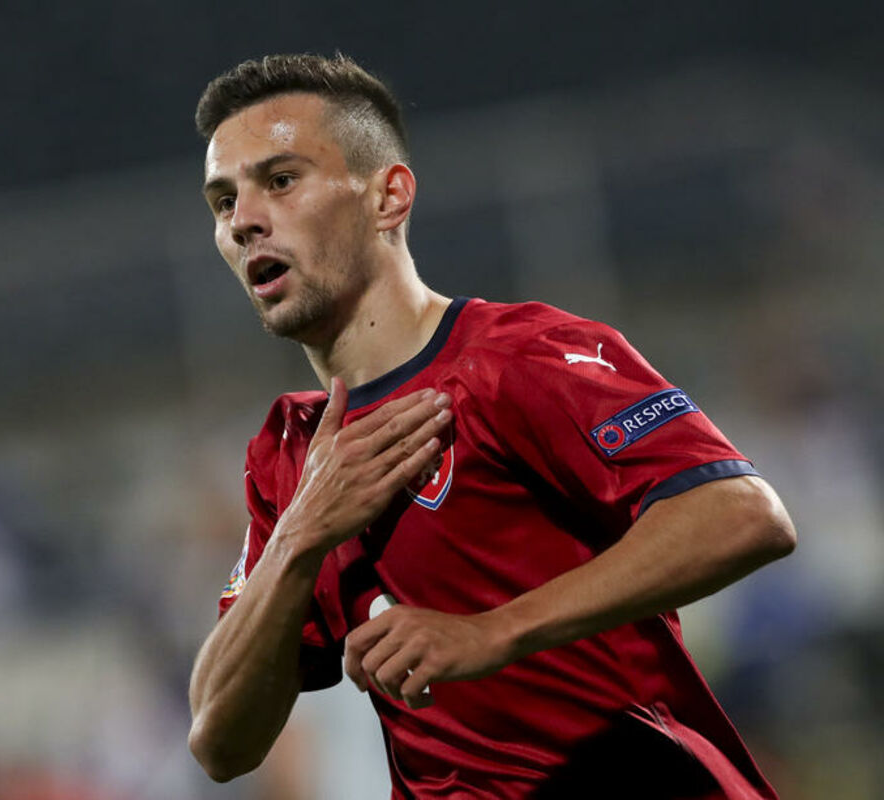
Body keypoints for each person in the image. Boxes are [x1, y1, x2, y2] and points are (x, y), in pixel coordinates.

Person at [186, 53, 797, 799]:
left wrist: (491, 631)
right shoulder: (289, 456)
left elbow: (742, 514)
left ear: (389, 196)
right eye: (223, 201)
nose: (244, 220)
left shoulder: (517, 357)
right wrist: (299, 536)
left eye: (281, 181)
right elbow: (219, 741)